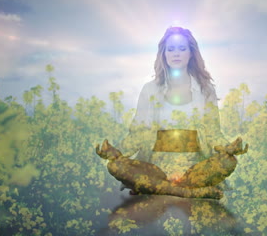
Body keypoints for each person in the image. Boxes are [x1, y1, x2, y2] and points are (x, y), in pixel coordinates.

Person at [96, 26, 247, 199]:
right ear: (164, 54)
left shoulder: (206, 90)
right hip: (156, 168)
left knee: (228, 161)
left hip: (193, 168)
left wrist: (228, 148)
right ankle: (186, 192)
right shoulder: (150, 89)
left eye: (182, 49)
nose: (176, 53)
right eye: (171, 49)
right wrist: (117, 152)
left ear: (191, 54)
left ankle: (160, 188)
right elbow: (138, 133)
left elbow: (213, 132)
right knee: (115, 166)